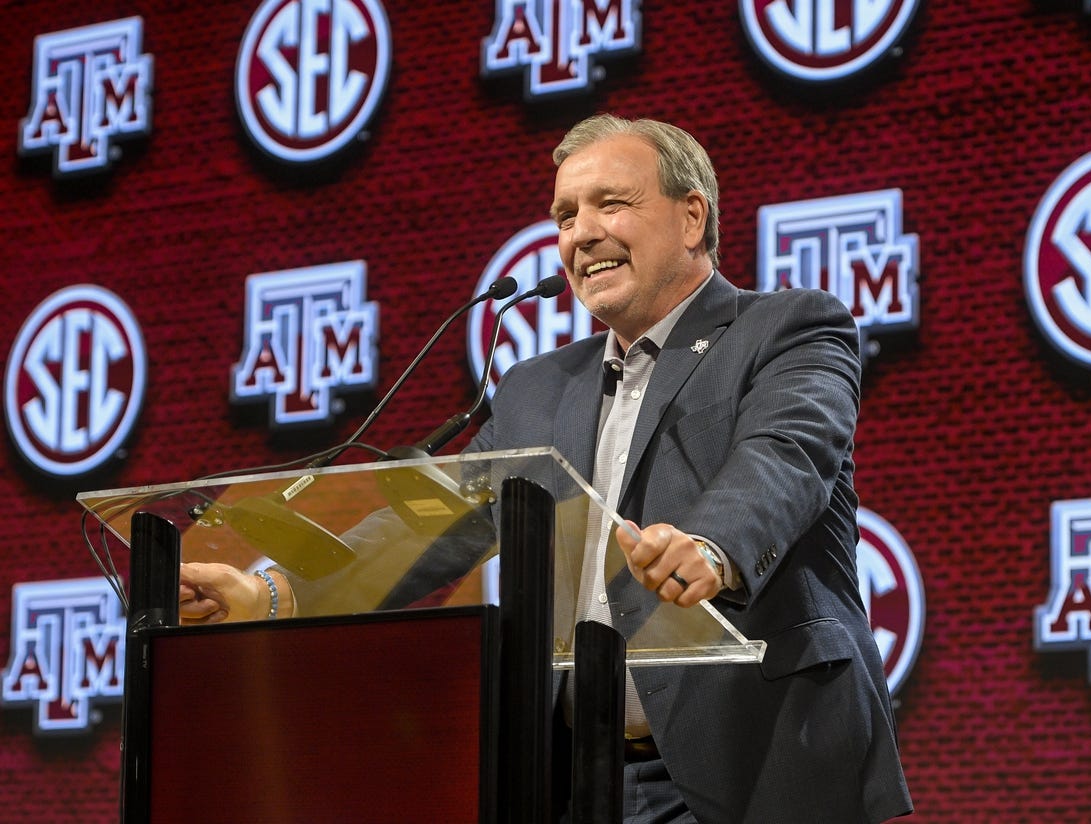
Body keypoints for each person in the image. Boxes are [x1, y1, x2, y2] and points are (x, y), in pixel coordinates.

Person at [181, 114, 912, 823]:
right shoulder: (535, 388)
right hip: (575, 776)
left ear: (693, 218)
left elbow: (786, 455)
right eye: (564, 215)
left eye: (610, 204)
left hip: (754, 760)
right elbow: (435, 524)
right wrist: (272, 592)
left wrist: (710, 548)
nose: (580, 233)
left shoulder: (786, 328)